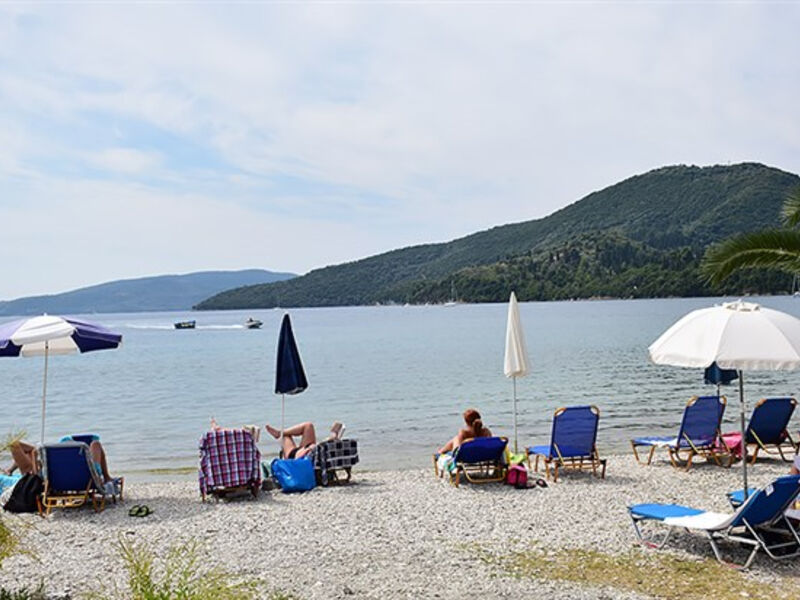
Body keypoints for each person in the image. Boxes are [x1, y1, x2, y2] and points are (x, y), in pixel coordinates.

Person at [265, 421, 344, 459]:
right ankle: (280, 433)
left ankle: (280, 433)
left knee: (285, 436)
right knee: (308, 425)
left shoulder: (321, 449)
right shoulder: (324, 449)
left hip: (298, 457)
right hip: (308, 450)